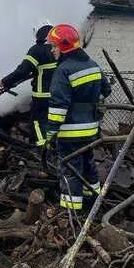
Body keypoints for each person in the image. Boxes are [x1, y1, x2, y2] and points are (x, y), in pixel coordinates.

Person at [45, 23, 111, 212]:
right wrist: (86, 102)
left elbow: (58, 107)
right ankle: (93, 202)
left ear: (63, 47)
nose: (52, 50)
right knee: (88, 165)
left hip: (69, 132)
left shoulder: (63, 70)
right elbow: (106, 89)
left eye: (54, 46)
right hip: (91, 130)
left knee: (70, 170)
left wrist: (50, 133)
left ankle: (71, 212)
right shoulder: (92, 64)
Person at [0, 21, 57, 147]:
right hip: (61, 94)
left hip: (43, 97)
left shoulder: (37, 50)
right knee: (55, 121)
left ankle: (44, 150)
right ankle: (55, 147)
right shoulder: (59, 48)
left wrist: (4, 81)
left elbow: (23, 71)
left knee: (37, 123)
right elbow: (38, 71)